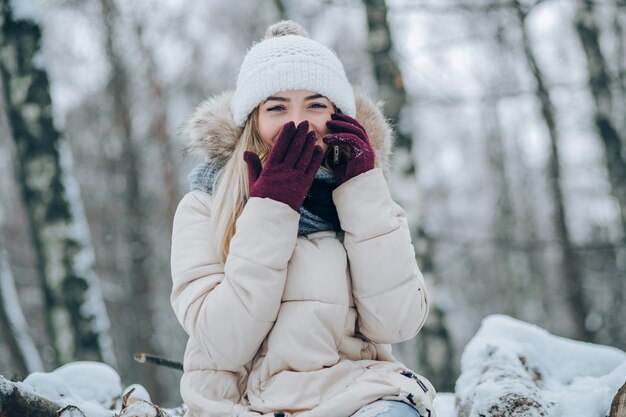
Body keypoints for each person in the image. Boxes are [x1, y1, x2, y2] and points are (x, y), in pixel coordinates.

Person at [170, 20, 436, 417]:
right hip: (242, 404)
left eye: (316, 104)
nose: (299, 122)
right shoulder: (205, 205)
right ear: (252, 120)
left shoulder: (363, 196)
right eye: (277, 107)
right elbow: (222, 343)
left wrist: (362, 189)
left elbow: (397, 323)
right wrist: (272, 207)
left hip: (357, 395)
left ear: (339, 114)